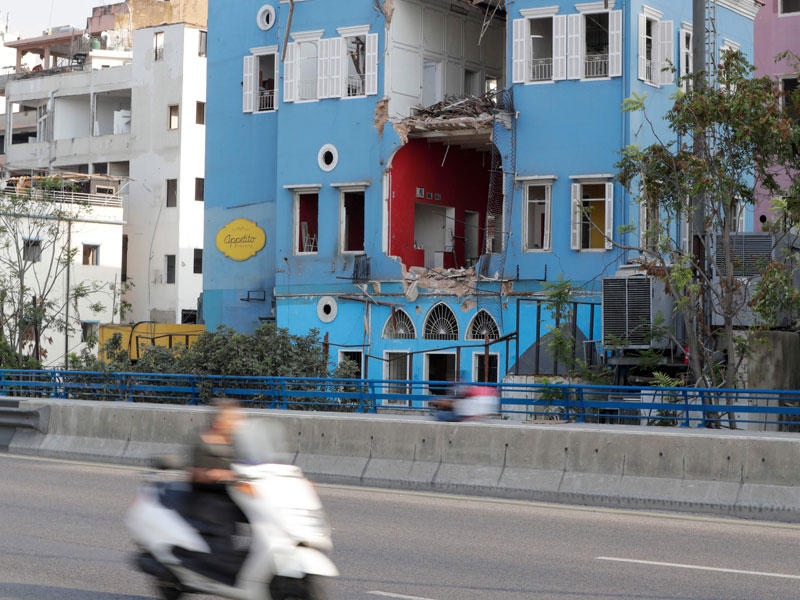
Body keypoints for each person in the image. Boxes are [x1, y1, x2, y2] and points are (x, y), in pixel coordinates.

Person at [187, 399, 245, 548]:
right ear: (219, 421)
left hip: (234, 495)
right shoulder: (202, 440)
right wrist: (214, 475)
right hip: (207, 497)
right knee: (223, 527)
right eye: (232, 419)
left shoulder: (239, 442)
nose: (237, 424)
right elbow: (194, 474)